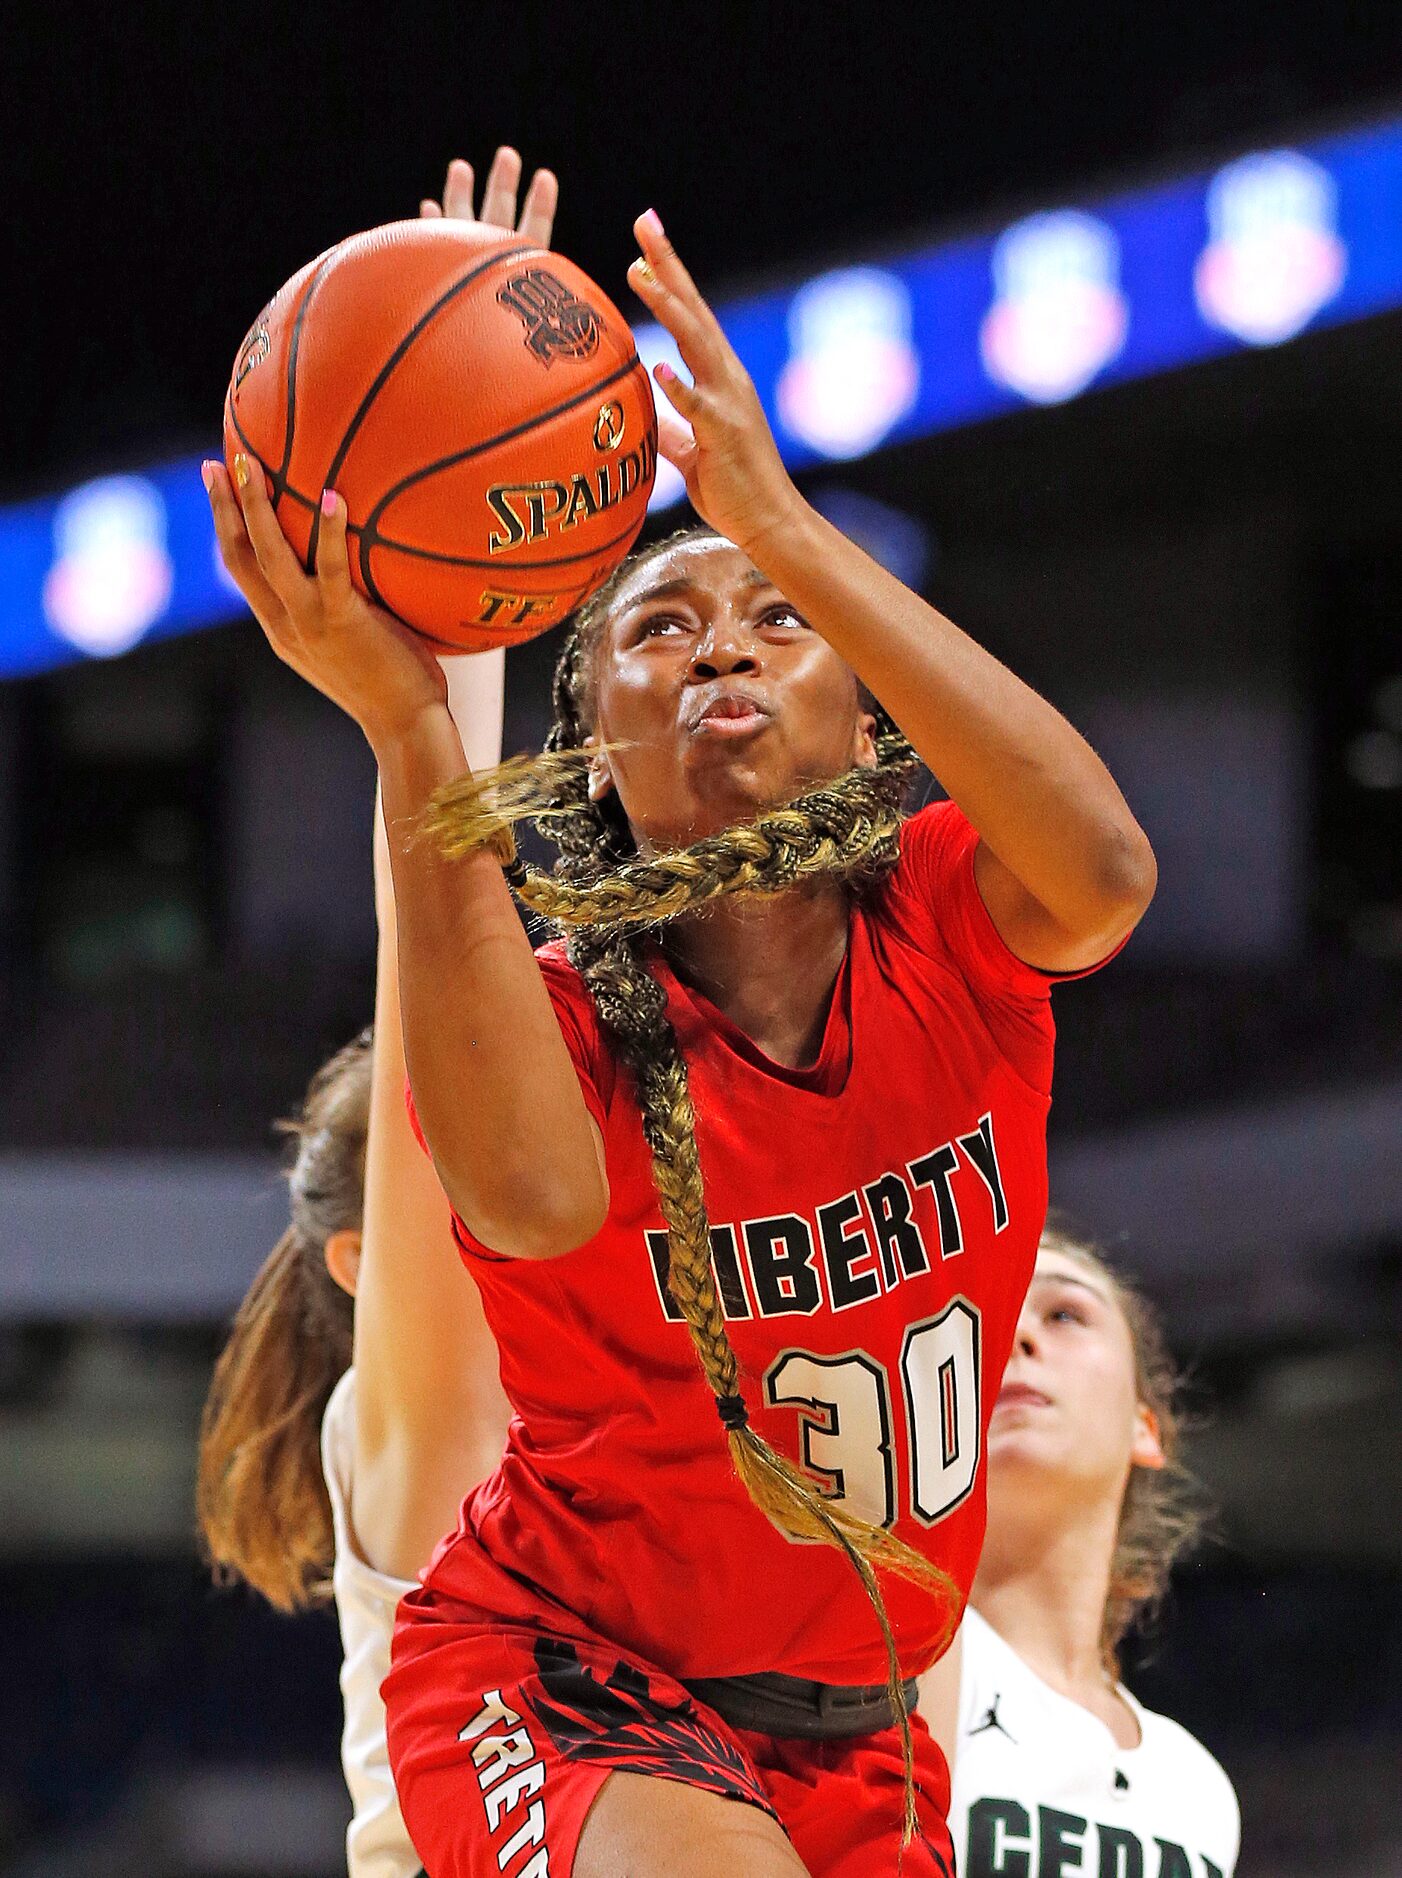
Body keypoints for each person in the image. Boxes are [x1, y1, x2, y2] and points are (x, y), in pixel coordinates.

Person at [205, 173, 1157, 1877]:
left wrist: (786, 526)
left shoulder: (951, 918)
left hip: (858, 1732)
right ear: (596, 753)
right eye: (660, 624)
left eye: (778, 625)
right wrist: (414, 723)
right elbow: (522, 1201)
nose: (724, 640)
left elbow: (1097, 868)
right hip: (571, 1675)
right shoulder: (565, 1027)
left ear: (862, 714)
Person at [197, 152, 546, 1878]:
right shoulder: (426, 1431)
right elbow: (443, 1026)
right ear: (370, 1255)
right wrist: (444, 659)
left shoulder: (627, 1396)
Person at [920, 1226, 1240, 1878]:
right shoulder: (901, 1652)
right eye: (980, 1321)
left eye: (1064, 1313)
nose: (1014, 1338)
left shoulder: (1199, 1791)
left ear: (1143, 1428)